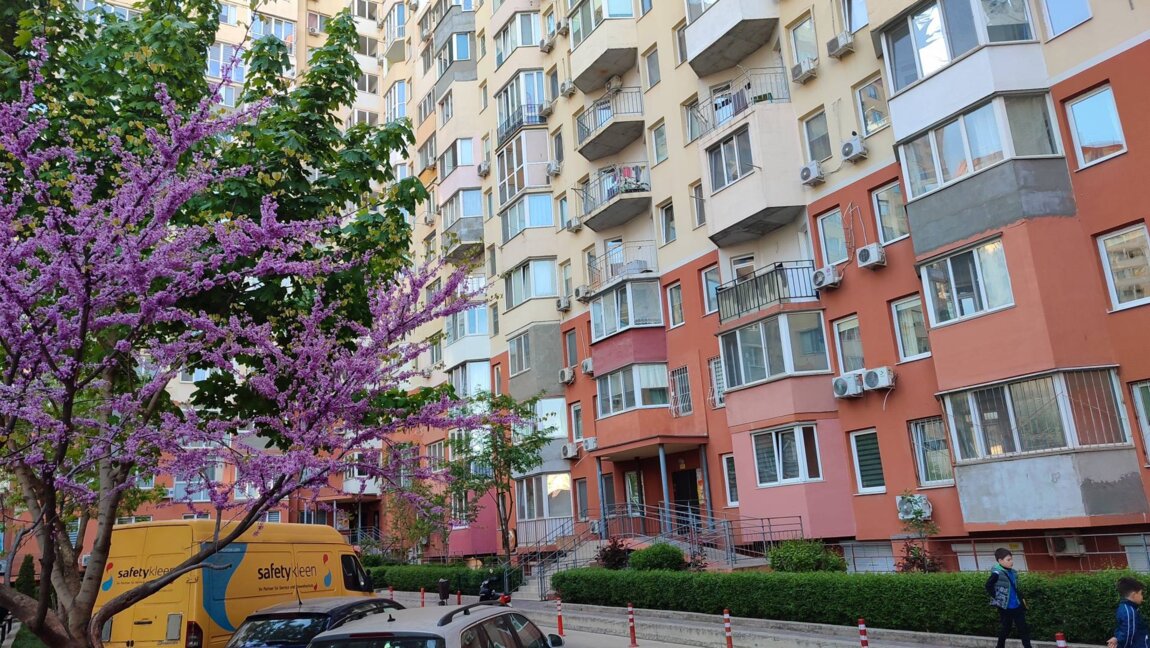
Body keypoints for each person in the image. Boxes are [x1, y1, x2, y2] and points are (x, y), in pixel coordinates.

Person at [984, 548, 1032, 648]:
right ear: (1000, 561)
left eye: (1011, 559)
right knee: (1006, 629)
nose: (1011, 562)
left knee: (1023, 629)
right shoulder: (997, 573)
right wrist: (998, 597)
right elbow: (988, 585)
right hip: (1005, 607)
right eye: (1008, 560)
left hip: (1017, 606)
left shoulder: (1013, 572)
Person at [1107, 576, 1148, 648]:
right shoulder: (1129, 612)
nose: (1142, 597)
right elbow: (1129, 634)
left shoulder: (1124, 607)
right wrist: (1119, 645)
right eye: (1141, 593)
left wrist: (1117, 638)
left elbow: (1122, 629)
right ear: (1134, 595)